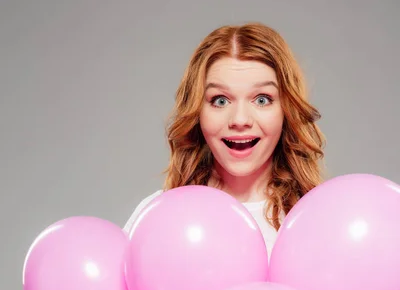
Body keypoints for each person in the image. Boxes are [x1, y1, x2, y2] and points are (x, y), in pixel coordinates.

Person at [124, 22, 325, 257]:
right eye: (220, 100)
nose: (240, 120)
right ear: (198, 112)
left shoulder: (321, 219)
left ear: (286, 110)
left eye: (261, 99)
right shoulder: (154, 219)